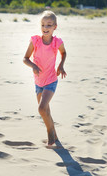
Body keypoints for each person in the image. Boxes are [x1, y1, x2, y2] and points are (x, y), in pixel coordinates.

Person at [23, 10, 67, 147]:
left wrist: (61, 64)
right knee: (46, 111)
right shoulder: (35, 41)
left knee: (41, 109)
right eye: (43, 25)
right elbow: (25, 58)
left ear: (55, 27)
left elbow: (64, 52)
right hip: (38, 82)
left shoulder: (56, 42)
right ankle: (55, 135)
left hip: (51, 81)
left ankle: (50, 134)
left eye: (49, 25)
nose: (45, 28)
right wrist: (33, 66)